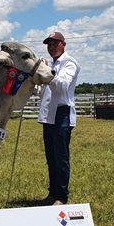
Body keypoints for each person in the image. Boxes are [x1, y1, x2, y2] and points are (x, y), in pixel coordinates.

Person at [37, 31, 81, 205]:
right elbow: (45, 91)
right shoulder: (54, 64)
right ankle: (53, 192)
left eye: (55, 44)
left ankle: (62, 196)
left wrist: (47, 71)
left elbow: (62, 86)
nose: (52, 47)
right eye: (49, 44)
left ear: (64, 44)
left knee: (61, 157)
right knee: (51, 157)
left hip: (62, 114)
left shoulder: (69, 63)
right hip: (50, 115)